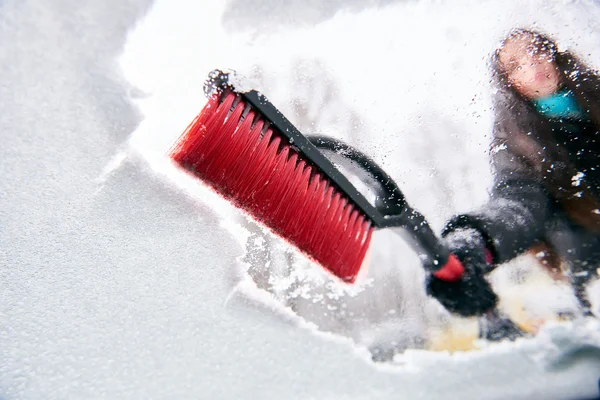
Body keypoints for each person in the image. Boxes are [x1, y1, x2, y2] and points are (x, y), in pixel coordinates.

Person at [426, 28, 600, 340]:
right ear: (509, 83)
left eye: (536, 52)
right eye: (516, 66)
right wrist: (478, 241)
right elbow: (517, 204)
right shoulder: (516, 143)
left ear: (555, 54)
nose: (532, 67)